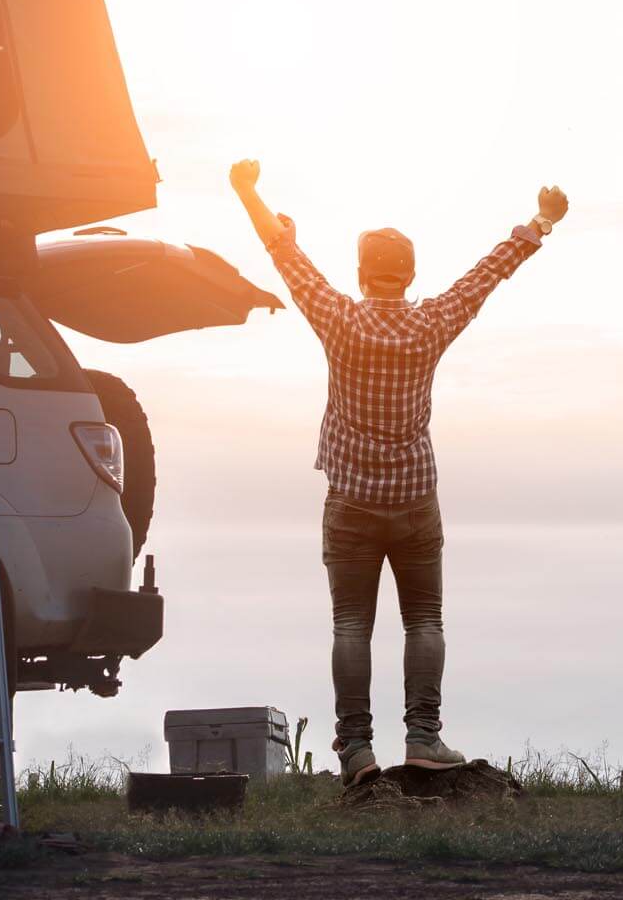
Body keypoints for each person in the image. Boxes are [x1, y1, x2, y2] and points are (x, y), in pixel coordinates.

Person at [229, 159, 568, 786]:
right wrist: (540, 221)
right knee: (426, 621)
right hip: (416, 500)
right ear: (410, 276)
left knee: (351, 625)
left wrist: (249, 192)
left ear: (361, 275)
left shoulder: (339, 318)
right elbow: (486, 275)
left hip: (350, 502)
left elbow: (282, 256)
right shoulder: (431, 322)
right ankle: (424, 739)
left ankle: (356, 752)